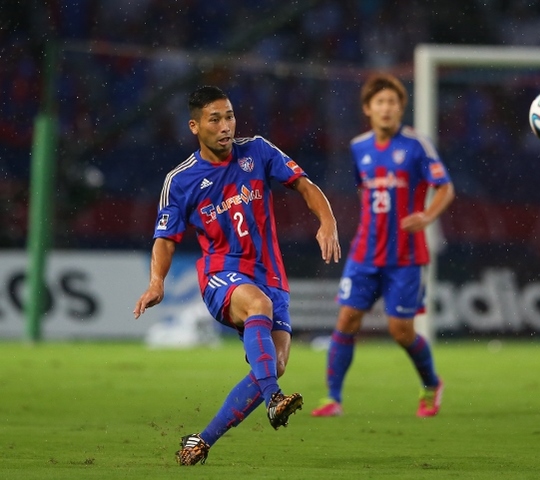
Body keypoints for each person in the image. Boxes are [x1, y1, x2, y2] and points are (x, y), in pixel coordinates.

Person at [133, 85, 341, 466]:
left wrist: (327, 220)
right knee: (258, 309)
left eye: (229, 116)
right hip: (222, 275)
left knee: (275, 364)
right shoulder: (180, 180)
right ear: (195, 126)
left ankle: (202, 440)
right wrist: (156, 282)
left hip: (271, 276)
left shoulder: (257, 151)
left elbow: (304, 184)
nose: (225, 126)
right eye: (215, 119)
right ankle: (274, 399)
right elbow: (165, 238)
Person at [311, 73, 454, 418]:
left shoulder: (417, 145)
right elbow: (366, 191)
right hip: (364, 252)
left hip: (405, 255)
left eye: (392, 102)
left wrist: (426, 216)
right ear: (368, 109)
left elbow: (445, 188)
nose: (386, 108)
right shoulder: (358, 147)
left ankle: (431, 384)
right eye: (380, 103)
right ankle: (333, 399)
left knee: (401, 331)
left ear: (401, 108)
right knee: (346, 320)